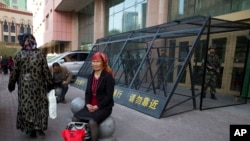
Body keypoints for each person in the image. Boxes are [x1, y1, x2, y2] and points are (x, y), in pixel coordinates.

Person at [8, 33, 53, 138]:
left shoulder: (19, 55)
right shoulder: (40, 54)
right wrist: (50, 83)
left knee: (27, 106)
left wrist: (11, 85)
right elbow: (46, 70)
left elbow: (14, 72)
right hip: (39, 85)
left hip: (25, 87)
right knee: (40, 106)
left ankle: (30, 129)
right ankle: (40, 127)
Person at [72, 51, 115, 141]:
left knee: (92, 122)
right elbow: (88, 93)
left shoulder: (108, 77)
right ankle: (77, 139)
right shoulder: (91, 76)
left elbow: (109, 96)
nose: (95, 64)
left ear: (103, 63)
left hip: (103, 107)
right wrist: (87, 104)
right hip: (90, 105)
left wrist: (97, 107)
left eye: (98, 61)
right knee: (75, 117)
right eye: (93, 61)